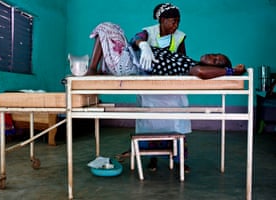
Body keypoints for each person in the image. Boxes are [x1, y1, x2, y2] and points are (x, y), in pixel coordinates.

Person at [86, 4, 245, 172]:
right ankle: (151, 158)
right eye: (172, 21)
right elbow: (135, 39)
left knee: (173, 123)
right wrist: (144, 46)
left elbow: (196, 70)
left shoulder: (186, 53)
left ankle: (178, 160)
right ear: (161, 20)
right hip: (139, 67)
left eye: (215, 60)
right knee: (150, 123)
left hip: (152, 76)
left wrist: (229, 71)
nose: (175, 26)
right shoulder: (149, 32)